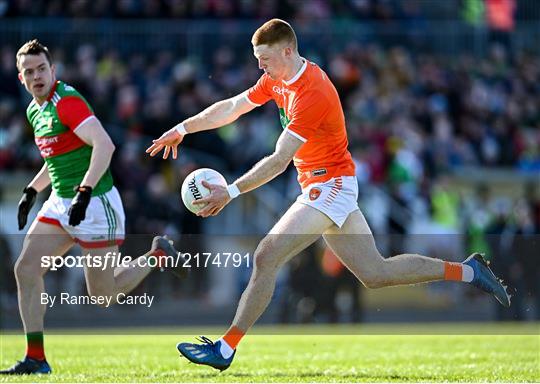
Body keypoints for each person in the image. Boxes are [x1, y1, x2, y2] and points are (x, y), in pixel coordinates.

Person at [147, 19, 511, 372]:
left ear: (288, 51)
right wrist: (182, 128)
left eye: (265, 59)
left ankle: (225, 348)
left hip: (330, 185)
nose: (260, 66)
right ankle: (469, 271)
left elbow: (277, 161)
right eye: (258, 59)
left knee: (266, 256)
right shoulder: (278, 79)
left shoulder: (313, 91)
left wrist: (230, 191)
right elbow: (232, 106)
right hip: (324, 184)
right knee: (375, 273)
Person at [1, 39, 185, 376]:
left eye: (42, 68)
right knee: (25, 269)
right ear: (20, 79)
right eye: (29, 71)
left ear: (53, 71)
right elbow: (56, 159)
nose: (37, 75)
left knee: (103, 295)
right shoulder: (34, 110)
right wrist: (31, 189)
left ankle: (156, 255)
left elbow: (105, 144)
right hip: (61, 201)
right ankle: (36, 358)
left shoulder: (66, 101)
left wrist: (85, 191)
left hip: (96, 203)